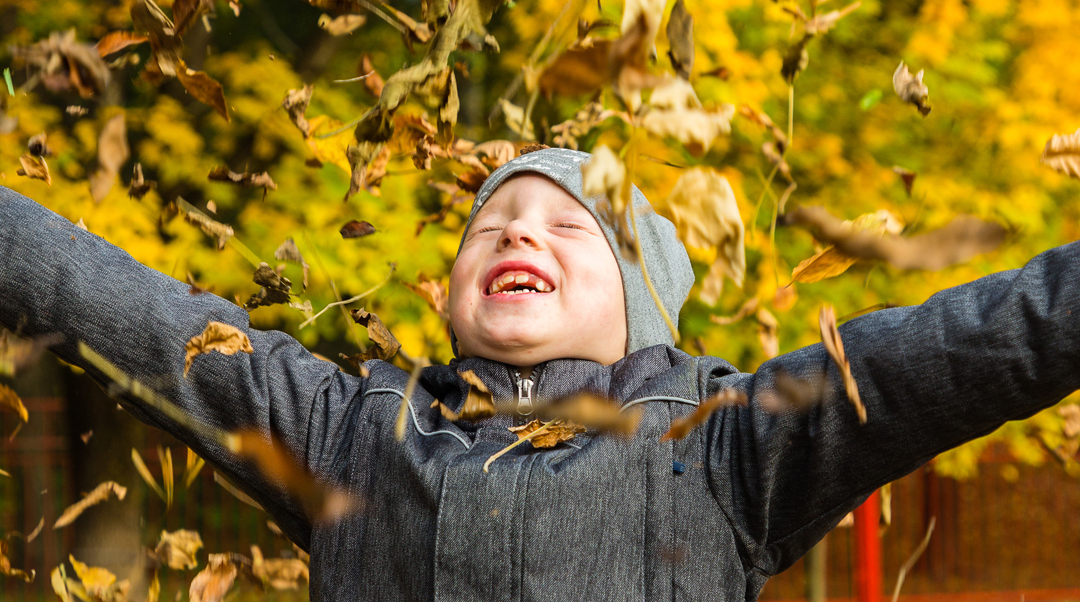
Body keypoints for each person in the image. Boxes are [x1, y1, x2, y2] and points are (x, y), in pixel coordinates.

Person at [1, 146, 1078, 602]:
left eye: (573, 226)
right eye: (494, 224)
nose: (524, 234)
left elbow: (961, 348)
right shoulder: (348, 432)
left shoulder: (721, 442)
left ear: (642, 313)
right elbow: (128, 312)